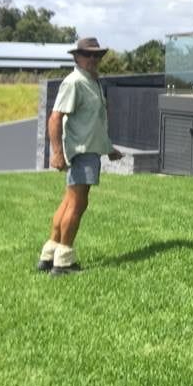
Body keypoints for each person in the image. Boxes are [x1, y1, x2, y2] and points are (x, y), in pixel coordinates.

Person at [37, 37, 123, 276]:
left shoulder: (91, 82)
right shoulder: (74, 82)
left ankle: (49, 254)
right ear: (76, 57)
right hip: (82, 154)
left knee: (68, 202)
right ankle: (63, 261)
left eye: (97, 55)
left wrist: (108, 149)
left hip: (89, 151)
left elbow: (92, 124)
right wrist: (56, 153)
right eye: (88, 55)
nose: (93, 59)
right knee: (78, 204)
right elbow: (55, 118)